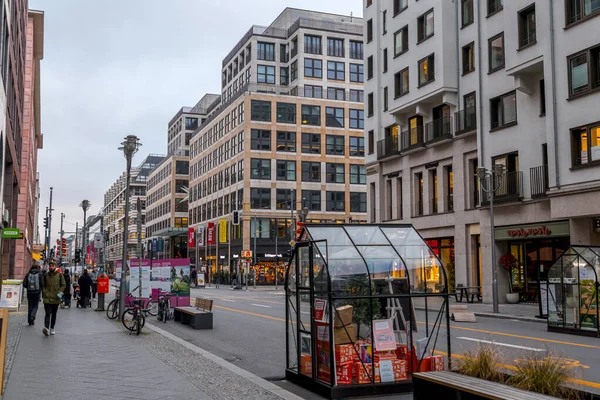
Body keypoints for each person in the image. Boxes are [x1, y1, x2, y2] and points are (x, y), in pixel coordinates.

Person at [41, 259, 66, 336]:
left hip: (56, 298)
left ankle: (52, 328)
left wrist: (59, 293)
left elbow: (63, 285)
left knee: (54, 314)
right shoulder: (46, 275)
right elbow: (43, 285)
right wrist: (45, 292)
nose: (51, 267)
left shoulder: (59, 275)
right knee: (47, 313)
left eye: (52, 266)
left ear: (55, 266)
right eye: (50, 266)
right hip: (47, 298)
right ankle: (46, 328)